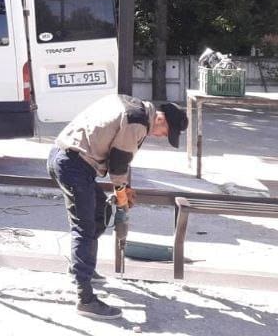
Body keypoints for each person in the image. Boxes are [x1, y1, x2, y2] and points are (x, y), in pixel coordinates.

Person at [46, 94, 189, 320]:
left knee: (98, 214)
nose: (161, 137)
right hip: (74, 165)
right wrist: (122, 193)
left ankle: (79, 268)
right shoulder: (137, 122)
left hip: (64, 156)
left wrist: (123, 188)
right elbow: (118, 163)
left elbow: (115, 152)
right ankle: (85, 299)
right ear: (161, 119)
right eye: (166, 132)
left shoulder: (130, 104)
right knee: (84, 228)